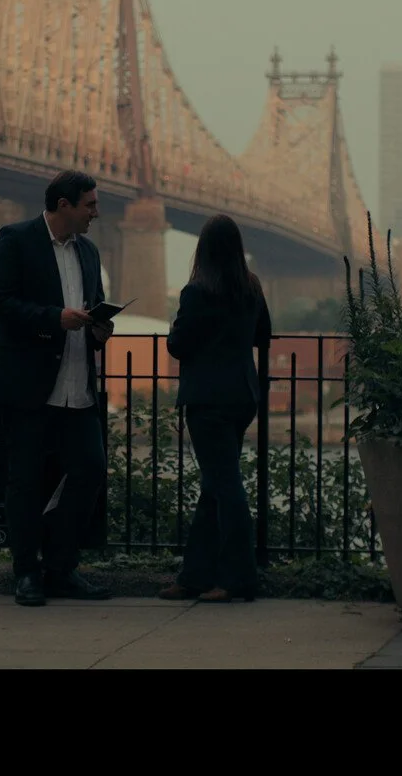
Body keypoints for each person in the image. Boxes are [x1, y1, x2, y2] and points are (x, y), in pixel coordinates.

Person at [0, 170, 115, 606]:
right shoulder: (15, 240)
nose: (96, 213)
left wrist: (99, 328)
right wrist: (52, 318)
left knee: (90, 470)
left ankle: (61, 566)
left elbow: (92, 307)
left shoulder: (90, 252)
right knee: (23, 482)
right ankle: (26, 573)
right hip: (29, 387)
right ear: (64, 205)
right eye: (90, 205)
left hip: (78, 387)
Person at [159, 214, 271, 603]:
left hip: (207, 401)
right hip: (243, 397)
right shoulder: (251, 287)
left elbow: (177, 345)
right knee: (215, 486)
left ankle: (240, 579)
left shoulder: (197, 291)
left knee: (225, 486)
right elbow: (263, 335)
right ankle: (194, 576)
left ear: (202, 249)